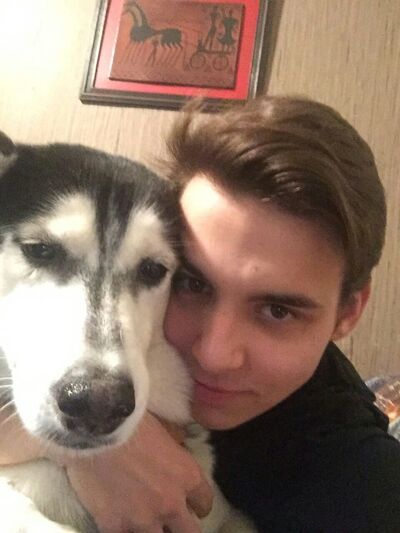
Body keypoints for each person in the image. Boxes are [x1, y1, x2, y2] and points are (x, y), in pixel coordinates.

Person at [1, 95, 400, 532]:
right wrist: (96, 447)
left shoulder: (362, 489)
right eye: (194, 284)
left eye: (277, 311)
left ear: (347, 313)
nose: (213, 354)